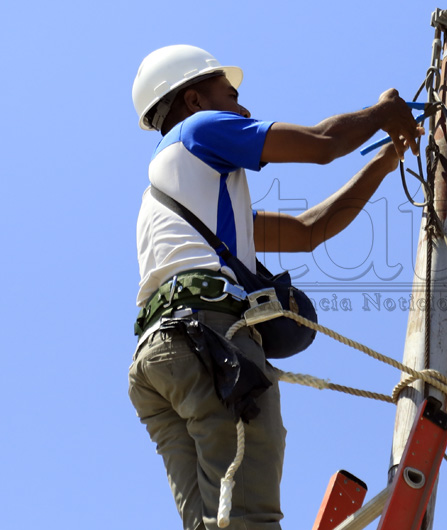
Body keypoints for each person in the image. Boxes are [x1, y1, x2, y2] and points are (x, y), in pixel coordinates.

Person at [128, 44, 421, 530]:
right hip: (210, 341)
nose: (243, 109)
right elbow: (322, 143)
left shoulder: (186, 194)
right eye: (231, 94)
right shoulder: (200, 131)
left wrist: (385, 161)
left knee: (212, 523)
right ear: (195, 101)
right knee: (247, 518)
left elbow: (310, 231)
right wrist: (381, 113)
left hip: (159, 359)